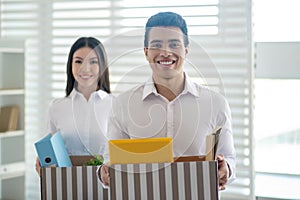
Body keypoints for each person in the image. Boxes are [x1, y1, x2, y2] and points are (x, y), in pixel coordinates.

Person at [100, 12, 236, 190]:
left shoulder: (216, 103)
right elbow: (110, 161)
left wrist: (226, 170)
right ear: (146, 53)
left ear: (186, 50)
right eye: (157, 45)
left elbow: (229, 159)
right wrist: (105, 172)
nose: (165, 52)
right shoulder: (122, 104)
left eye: (174, 44)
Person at [35, 37, 112, 175]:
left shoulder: (116, 105)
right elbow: (49, 151)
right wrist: (42, 162)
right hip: (66, 185)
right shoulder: (56, 107)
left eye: (93, 62)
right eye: (78, 61)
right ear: (70, 65)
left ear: (102, 65)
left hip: (106, 186)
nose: (85, 68)